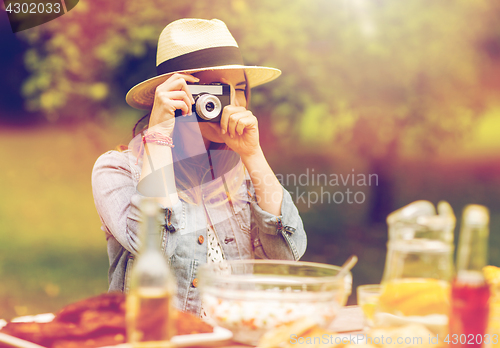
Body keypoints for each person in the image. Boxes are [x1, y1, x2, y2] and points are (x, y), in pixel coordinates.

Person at [92, 18, 307, 315]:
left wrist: (253, 154)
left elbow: (286, 254)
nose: (231, 101)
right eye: (216, 89)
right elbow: (152, 246)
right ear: (178, 93)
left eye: (240, 89)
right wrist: (158, 135)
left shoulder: (239, 171)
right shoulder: (117, 169)